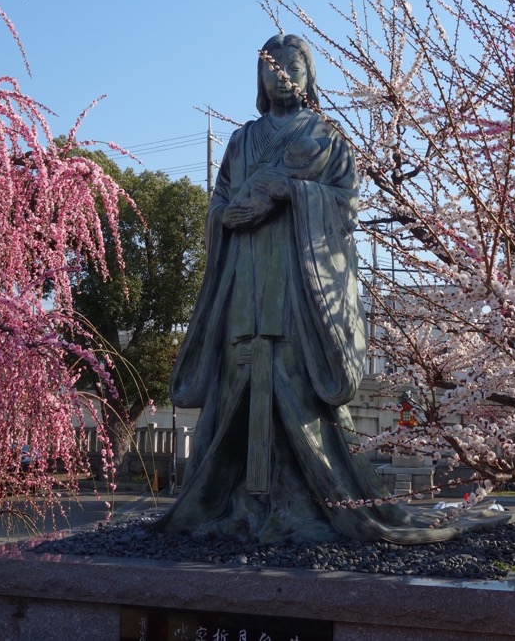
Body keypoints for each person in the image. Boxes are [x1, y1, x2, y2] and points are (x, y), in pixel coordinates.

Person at [158, 33, 456, 543]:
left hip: (299, 288)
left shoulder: (327, 138)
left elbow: (346, 207)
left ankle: (306, 504)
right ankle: (229, 504)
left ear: (309, 75)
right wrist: (226, 216)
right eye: (271, 68)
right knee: (236, 384)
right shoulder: (242, 140)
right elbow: (220, 200)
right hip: (242, 283)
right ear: (258, 79)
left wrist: (291, 193)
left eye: (291, 66)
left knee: (296, 386)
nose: (281, 76)